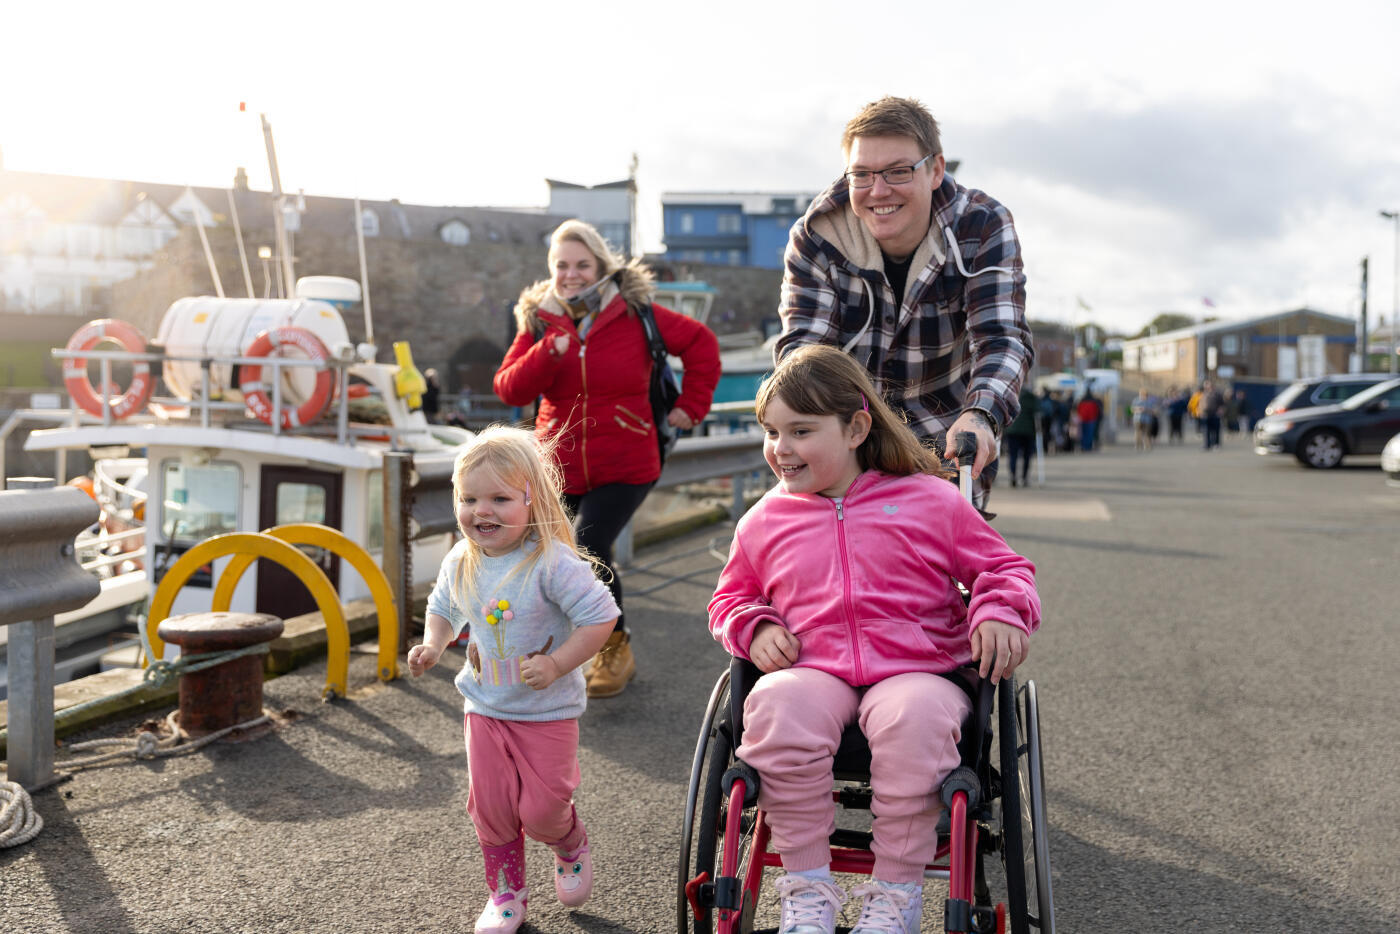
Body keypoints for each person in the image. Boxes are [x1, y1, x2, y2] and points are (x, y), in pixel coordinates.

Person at [708, 345, 1040, 934]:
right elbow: (730, 598)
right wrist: (753, 626)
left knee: (913, 716)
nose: (780, 448)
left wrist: (997, 612)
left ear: (857, 427)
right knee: (775, 705)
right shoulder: (763, 520)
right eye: (771, 431)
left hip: (920, 670)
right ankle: (807, 889)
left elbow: (1004, 570)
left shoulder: (931, 500)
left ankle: (895, 897)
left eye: (801, 431)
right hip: (814, 668)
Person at [494, 220, 721, 698]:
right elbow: (509, 387)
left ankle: (614, 650)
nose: (571, 275)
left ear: (601, 266)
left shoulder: (637, 314)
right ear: (550, 270)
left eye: (582, 265)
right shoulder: (539, 319)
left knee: (590, 545)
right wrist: (546, 354)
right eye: (562, 265)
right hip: (557, 465)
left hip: (628, 462)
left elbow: (702, 345)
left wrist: (691, 407)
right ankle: (552, 649)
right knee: (550, 556)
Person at [408, 427, 620, 934]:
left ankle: (569, 842)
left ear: (532, 499)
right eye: (470, 499)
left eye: (500, 498)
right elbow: (442, 608)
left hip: (546, 713)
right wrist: (434, 644)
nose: (483, 511)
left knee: (544, 811)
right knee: (492, 807)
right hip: (484, 705)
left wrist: (558, 663)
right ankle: (505, 891)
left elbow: (601, 617)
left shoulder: (550, 563)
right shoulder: (462, 558)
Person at [775, 96, 1033, 513]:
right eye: (861, 175)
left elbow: (1000, 339)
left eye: (898, 172)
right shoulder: (817, 235)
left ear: (935, 170)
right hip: (849, 433)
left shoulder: (983, 224)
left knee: (943, 561)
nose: (879, 191)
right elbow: (805, 354)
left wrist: (981, 415)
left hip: (947, 433)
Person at [1004, 384, 1039, 486]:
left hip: (1012, 430)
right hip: (1028, 431)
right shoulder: (1031, 397)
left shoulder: (1010, 396)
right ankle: (1024, 477)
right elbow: (1038, 413)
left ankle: (1013, 476)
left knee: (1013, 455)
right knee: (1027, 456)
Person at [1201, 380, 1225, 450]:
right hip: (1206, 414)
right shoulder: (1204, 394)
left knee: (1216, 430)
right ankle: (1207, 445)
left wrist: (1220, 411)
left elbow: (1222, 405)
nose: (1206, 387)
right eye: (1205, 385)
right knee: (1206, 430)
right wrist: (1202, 412)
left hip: (1215, 414)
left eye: (1207, 385)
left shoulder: (1217, 394)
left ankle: (1216, 444)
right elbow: (1201, 404)